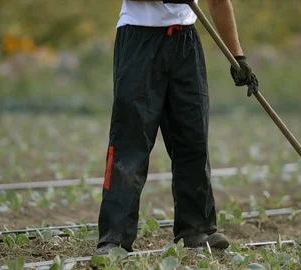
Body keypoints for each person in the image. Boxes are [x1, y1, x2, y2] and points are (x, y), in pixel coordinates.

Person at [96, 0, 258, 254]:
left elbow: (217, 2)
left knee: (193, 139)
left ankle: (196, 230)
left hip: (186, 43)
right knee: (130, 145)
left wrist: (238, 56)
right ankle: (113, 238)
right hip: (139, 39)